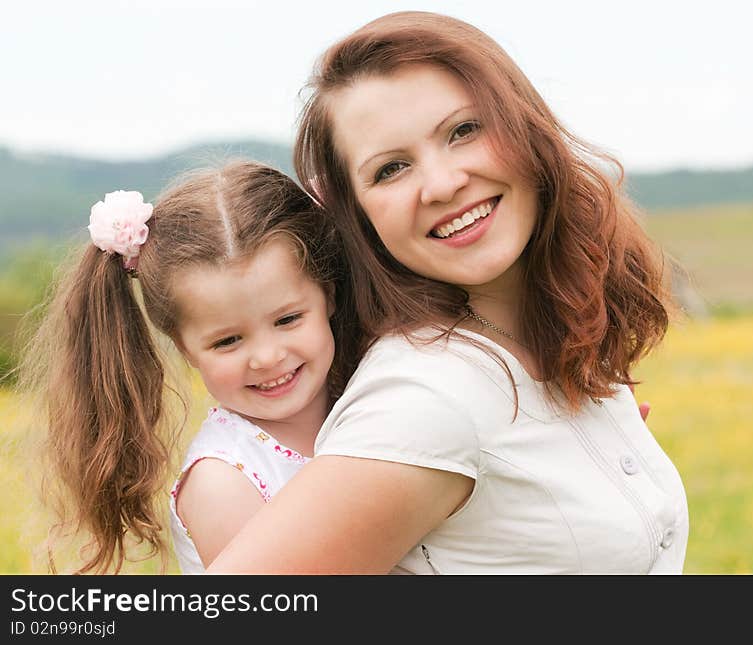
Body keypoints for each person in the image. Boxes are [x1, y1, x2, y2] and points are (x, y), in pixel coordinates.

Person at [207, 11, 688, 574]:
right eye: (390, 170)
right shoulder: (422, 401)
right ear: (357, 216)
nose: (442, 184)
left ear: (525, 125)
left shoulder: (538, 340)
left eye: (464, 131)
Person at [18, 161, 357, 574]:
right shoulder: (225, 482)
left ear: (329, 295)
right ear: (185, 348)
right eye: (228, 341)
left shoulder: (365, 392)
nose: (267, 357)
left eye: (287, 320)